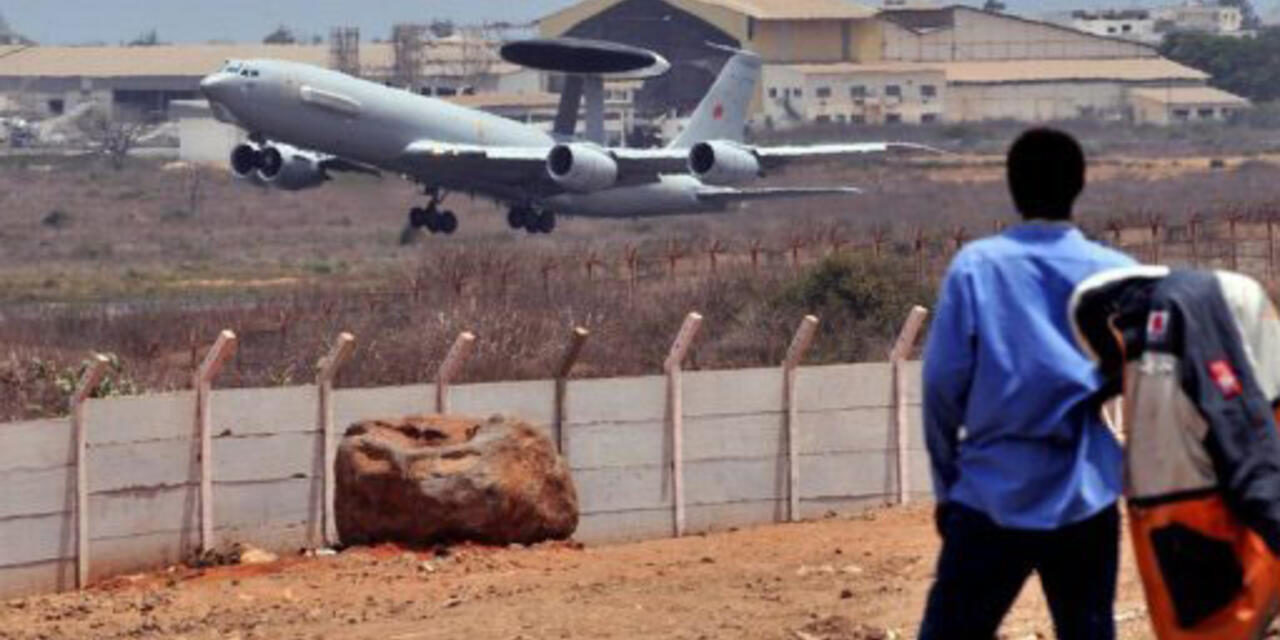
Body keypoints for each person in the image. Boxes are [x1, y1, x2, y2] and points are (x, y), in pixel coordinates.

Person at [917, 128, 1136, 639]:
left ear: (1012, 186)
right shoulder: (1116, 273)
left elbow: (941, 387)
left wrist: (949, 487)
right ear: (1079, 184)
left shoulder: (977, 268)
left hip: (990, 492)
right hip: (1086, 495)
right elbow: (1146, 379)